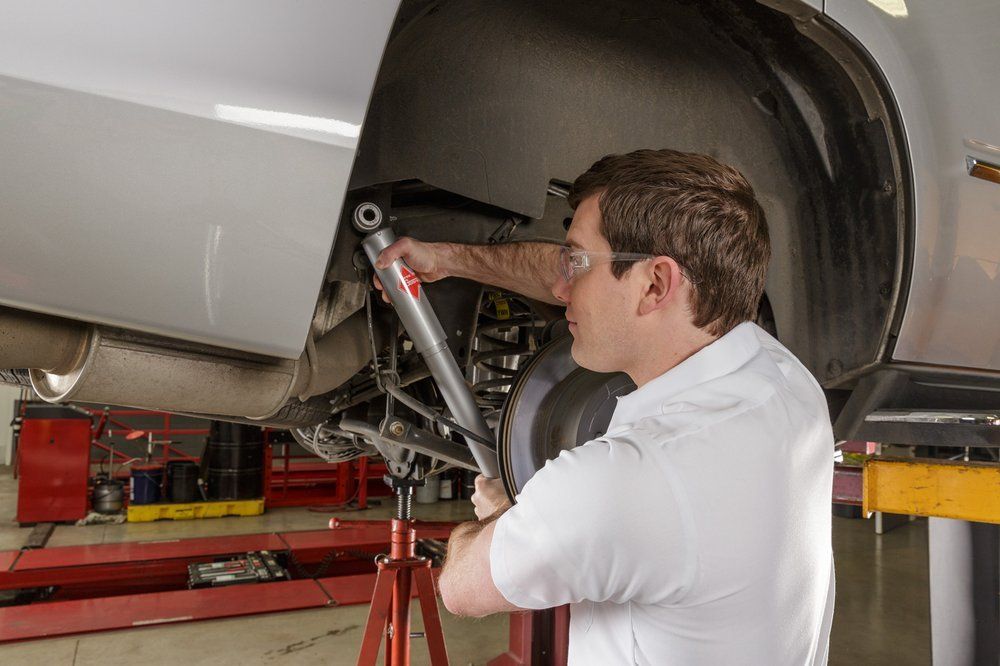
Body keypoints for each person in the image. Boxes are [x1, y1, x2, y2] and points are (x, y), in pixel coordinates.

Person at [374, 148, 835, 665]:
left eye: (575, 262)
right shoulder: (785, 379)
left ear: (655, 284)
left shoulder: (622, 480)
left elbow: (461, 587)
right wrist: (451, 259)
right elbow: (595, 276)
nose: (559, 287)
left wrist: (508, 517)